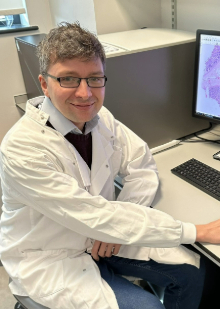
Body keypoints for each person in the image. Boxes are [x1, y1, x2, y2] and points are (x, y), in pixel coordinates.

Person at [1, 22, 220, 309]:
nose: (84, 93)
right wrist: (197, 231)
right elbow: (93, 215)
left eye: (94, 78)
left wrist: (117, 227)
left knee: (193, 273)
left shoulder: (102, 119)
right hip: (51, 258)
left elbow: (141, 163)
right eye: (68, 79)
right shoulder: (22, 148)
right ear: (44, 84)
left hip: (99, 235)